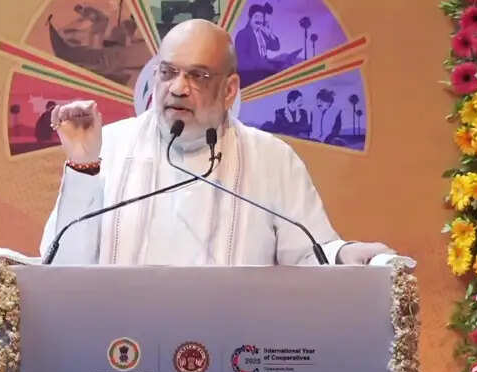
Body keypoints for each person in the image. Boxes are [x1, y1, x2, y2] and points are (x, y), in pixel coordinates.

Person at [40, 19, 393, 265]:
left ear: (229, 90)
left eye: (198, 75)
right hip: (121, 348)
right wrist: (83, 167)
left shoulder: (271, 158)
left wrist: (342, 255)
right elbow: (62, 268)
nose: (178, 88)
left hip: (236, 348)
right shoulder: (110, 146)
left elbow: (308, 255)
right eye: (168, 72)